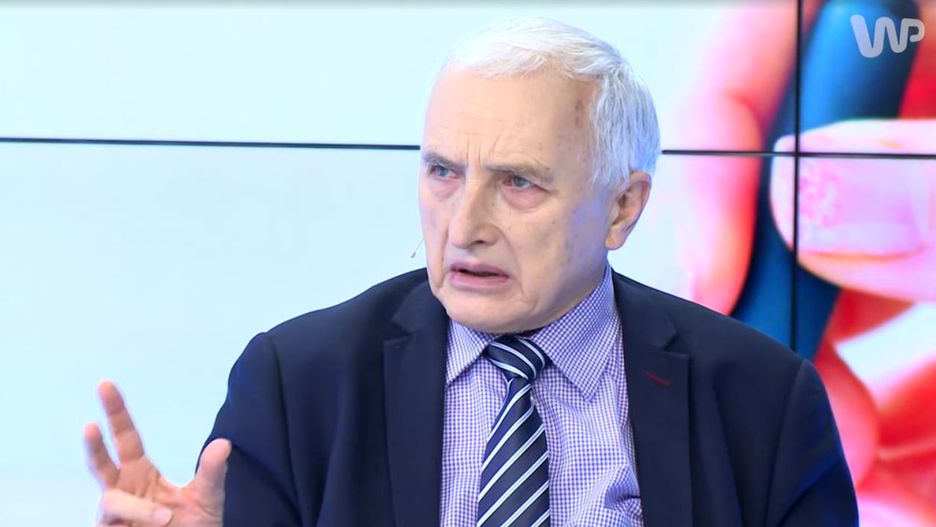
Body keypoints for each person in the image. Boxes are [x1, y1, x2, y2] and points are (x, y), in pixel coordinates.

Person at [84, 18, 858, 526]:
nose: (464, 225)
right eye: (444, 173)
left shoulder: (763, 400)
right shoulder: (299, 382)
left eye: (518, 182)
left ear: (623, 207)